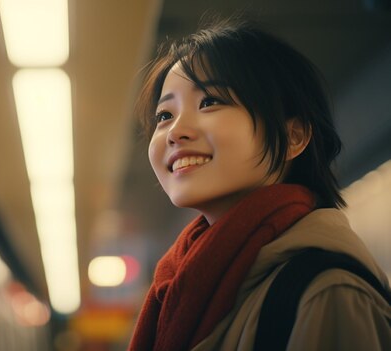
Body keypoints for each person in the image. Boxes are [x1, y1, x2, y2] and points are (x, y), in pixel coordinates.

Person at [129, 18, 391, 350]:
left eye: (210, 102)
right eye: (164, 115)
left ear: (293, 137)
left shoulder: (326, 293)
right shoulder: (181, 283)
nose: (176, 131)